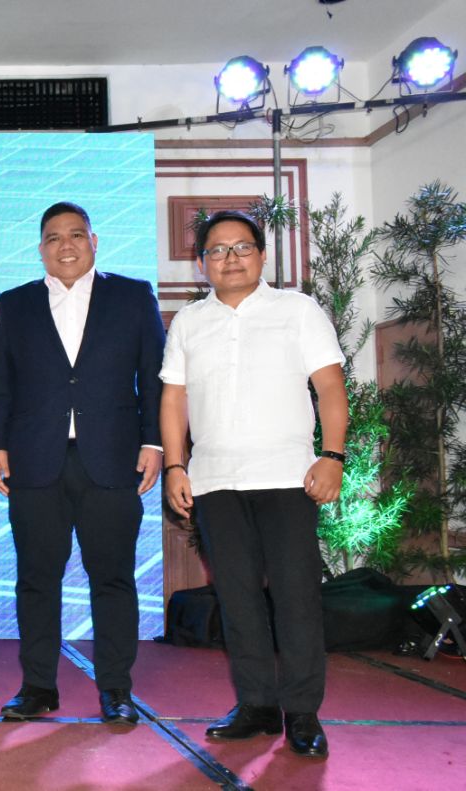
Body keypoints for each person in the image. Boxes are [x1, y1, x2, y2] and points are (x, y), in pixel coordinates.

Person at [160, 210, 346, 758]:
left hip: (290, 478)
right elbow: (175, 398)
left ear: (262, 256)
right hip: (216, 482)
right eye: (217, 250)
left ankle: (303, 713)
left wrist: (333, 455)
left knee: (296, 599)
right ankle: (258, 706)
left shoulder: (297, 310)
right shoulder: (190, 322)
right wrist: (176, 465)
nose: (230, 258)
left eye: (241, 247)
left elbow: (330, 386)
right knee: (237, 600)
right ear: (202, 263)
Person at [0, 201, 164, 725]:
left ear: (94, 242)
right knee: (36, 580)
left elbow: (152, 376)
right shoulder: (14, 304)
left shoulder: (131, 297)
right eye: (54, 237)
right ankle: (38, 686)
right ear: (40, 248)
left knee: (113, 578)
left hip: (111, 459)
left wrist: (154, 443)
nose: (66, 245)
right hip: (35, 462)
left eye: (76, 235)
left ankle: (116, 689)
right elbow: (0, 382)